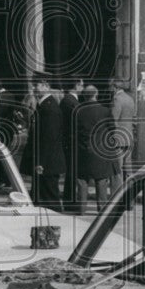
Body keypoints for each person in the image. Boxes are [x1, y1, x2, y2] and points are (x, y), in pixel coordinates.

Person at [20, 74, 65, 210]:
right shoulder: (44, 105)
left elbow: (49, 139)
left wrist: (41, 163)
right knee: (39, 201)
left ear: (46, 86)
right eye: (33, 84)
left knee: (50, 201)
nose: (33, 88)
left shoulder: (49, 108)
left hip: (46, 165)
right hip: (43, 164)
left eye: (36, 85)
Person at [75, 85, 115, 212]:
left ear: (85, 96)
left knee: (82, 181)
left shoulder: (78, 111)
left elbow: (73, 131)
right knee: (101, 181)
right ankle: (102, 209)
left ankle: (81, 209)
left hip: (83, 151)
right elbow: (112, 129)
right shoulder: (105, 111)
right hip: (100, 151)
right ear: (96, 95)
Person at [60, 79, 84, 211]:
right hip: (72, 141)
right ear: (76, 85)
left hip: (71, 141)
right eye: (81, 84)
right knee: (72, 172)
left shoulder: (69, 100)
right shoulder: (70, 102)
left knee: (72, 172)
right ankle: (70, 201)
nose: (83, 87)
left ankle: (70, 200)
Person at [109, 78, 136, 194]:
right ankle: (130, 197)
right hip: (129, 137)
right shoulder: (130, 99)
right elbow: (134, 119)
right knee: (128, 169)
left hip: (118, 139)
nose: (110, 89)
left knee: (117, 170)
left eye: (111, 87)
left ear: (115, 87)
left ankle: (116, 198)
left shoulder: (117, 100)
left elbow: (113, 119)